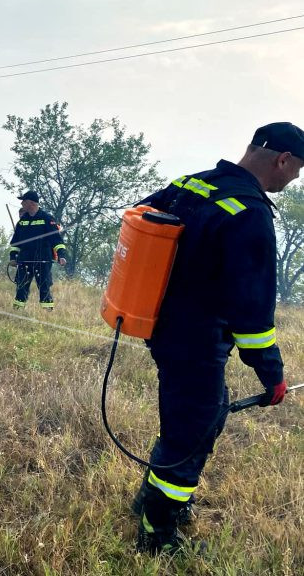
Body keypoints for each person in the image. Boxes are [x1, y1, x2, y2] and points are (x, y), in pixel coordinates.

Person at [130, 122, 301, 554]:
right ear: (282, 160)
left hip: (163, 328)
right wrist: (273, 376)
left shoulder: (192, 183)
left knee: (192, 417)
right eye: (298, 169)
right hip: (198, 341)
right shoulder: (249, 213)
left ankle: (149, 501)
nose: (296, 179)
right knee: (192, 432)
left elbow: (141, 221)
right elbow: (253, 318)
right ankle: (158, 533)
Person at [7, 191, 67, 310]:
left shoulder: (47, 219)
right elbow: (15, 243)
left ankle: (47, 313)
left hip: (43, 260)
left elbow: (56, 240)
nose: (22, 203)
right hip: (24, 260)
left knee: (44, 287)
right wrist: (13, 258)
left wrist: (61, 255)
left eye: (24, 201)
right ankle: (17, 312)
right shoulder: (23, 221)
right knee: (21, 286)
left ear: (31, 203)